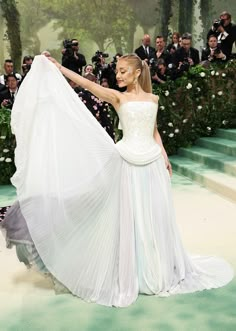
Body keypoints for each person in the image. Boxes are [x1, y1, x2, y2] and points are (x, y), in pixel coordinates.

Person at [1, 54, 233, 308]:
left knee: (154, 217)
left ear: (136, 73)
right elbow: (90, 85)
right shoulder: (118, 97)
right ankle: (130, 269)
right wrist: (60, 68)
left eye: (123, 71)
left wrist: (164, 155)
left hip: (152, 164)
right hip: (126, 163)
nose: (118, 75)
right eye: (117, 71)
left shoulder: (153, 99)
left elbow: (154, 130)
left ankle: (156, 267)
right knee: (128, 218)